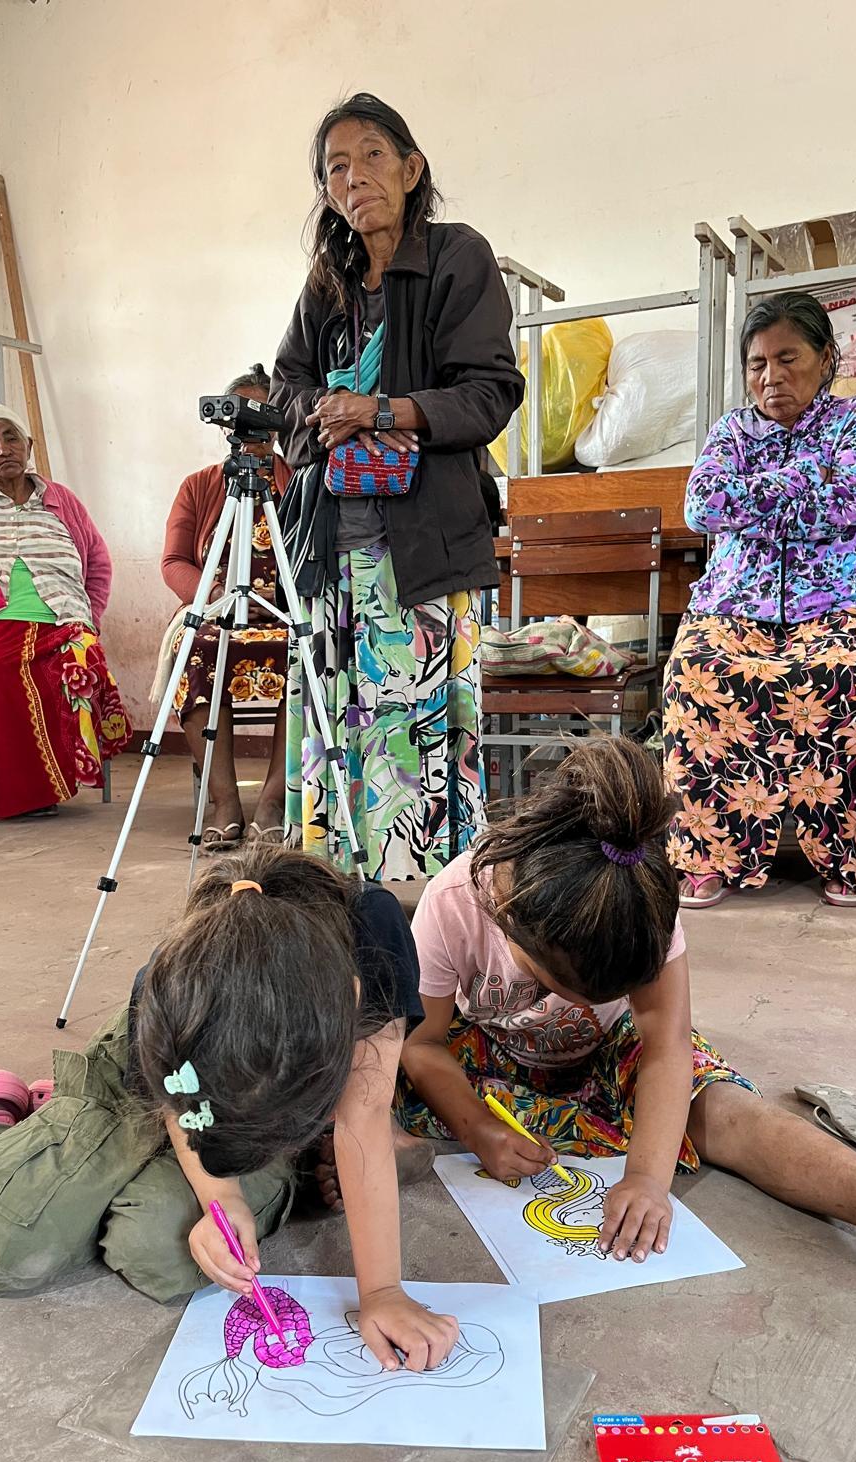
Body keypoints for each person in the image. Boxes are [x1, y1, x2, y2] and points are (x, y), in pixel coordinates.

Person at [397, 738, 856, 1293]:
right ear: (510, 919)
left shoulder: (638, 899)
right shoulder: (457, 901)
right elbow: (422, 1043)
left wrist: (646, 1178)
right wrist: (477, 1128)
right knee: (384, 1087)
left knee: (725, 1110)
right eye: (560, 987)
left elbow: (666, 1047)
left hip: (613, 1047)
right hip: (490, 1051)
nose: (576, 1005)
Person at [0, 846, 457, 1371]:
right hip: (154, 1085)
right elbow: (179, 1105)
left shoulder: (370, 932)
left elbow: (362, 1122)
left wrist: (383, 1292)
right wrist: (224, 1197)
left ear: (349, 999)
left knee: (159, 1253)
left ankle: (66, 1132)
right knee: (5, 1247)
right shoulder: (176, 983)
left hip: (248, 1107)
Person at [270, 92, 524, 880]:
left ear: (412, 170)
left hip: (422, 553)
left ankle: (429, 907)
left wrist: (381, 410)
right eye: (335, 168)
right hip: (331, 553)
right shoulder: (328, 283)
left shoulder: (457, 257)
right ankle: (340, 894)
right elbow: (284, 387)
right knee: (336, 730)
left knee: (417, 745)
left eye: (372, 156)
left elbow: (489, 392)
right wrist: (324, 412)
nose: (354, 177)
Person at [664, 292, 856, 909]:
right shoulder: (732, 430)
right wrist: (806, 478)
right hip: (731, 606)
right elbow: (702, 507)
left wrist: (752, 499)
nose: (770, 376)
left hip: (840, 606)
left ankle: (851, 857)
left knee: (843, 674)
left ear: (825, 358)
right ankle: (711, 853)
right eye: (757, 364)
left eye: (787, 358)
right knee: (696, 672)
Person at [0, 403, 133, 820]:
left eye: (11, 438)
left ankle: (54, 776)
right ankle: (33, 789)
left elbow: (98, 562)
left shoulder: (61, 499)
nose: (3, 449)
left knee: (81, 661)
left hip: (62, 615)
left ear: (28, 445)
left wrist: (89, 618)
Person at [158, 364, 290, 851]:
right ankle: (225, 802)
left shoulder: (299, 480)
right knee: (192, 651)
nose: (250, 429)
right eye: (241, 416)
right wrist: (217, 596)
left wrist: (277, 599)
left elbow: (315, 555)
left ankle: (273, 801)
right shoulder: (199, 485)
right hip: (215, 616)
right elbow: (174, 562)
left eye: (261, 414)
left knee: (311, 656)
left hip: (286, 614)